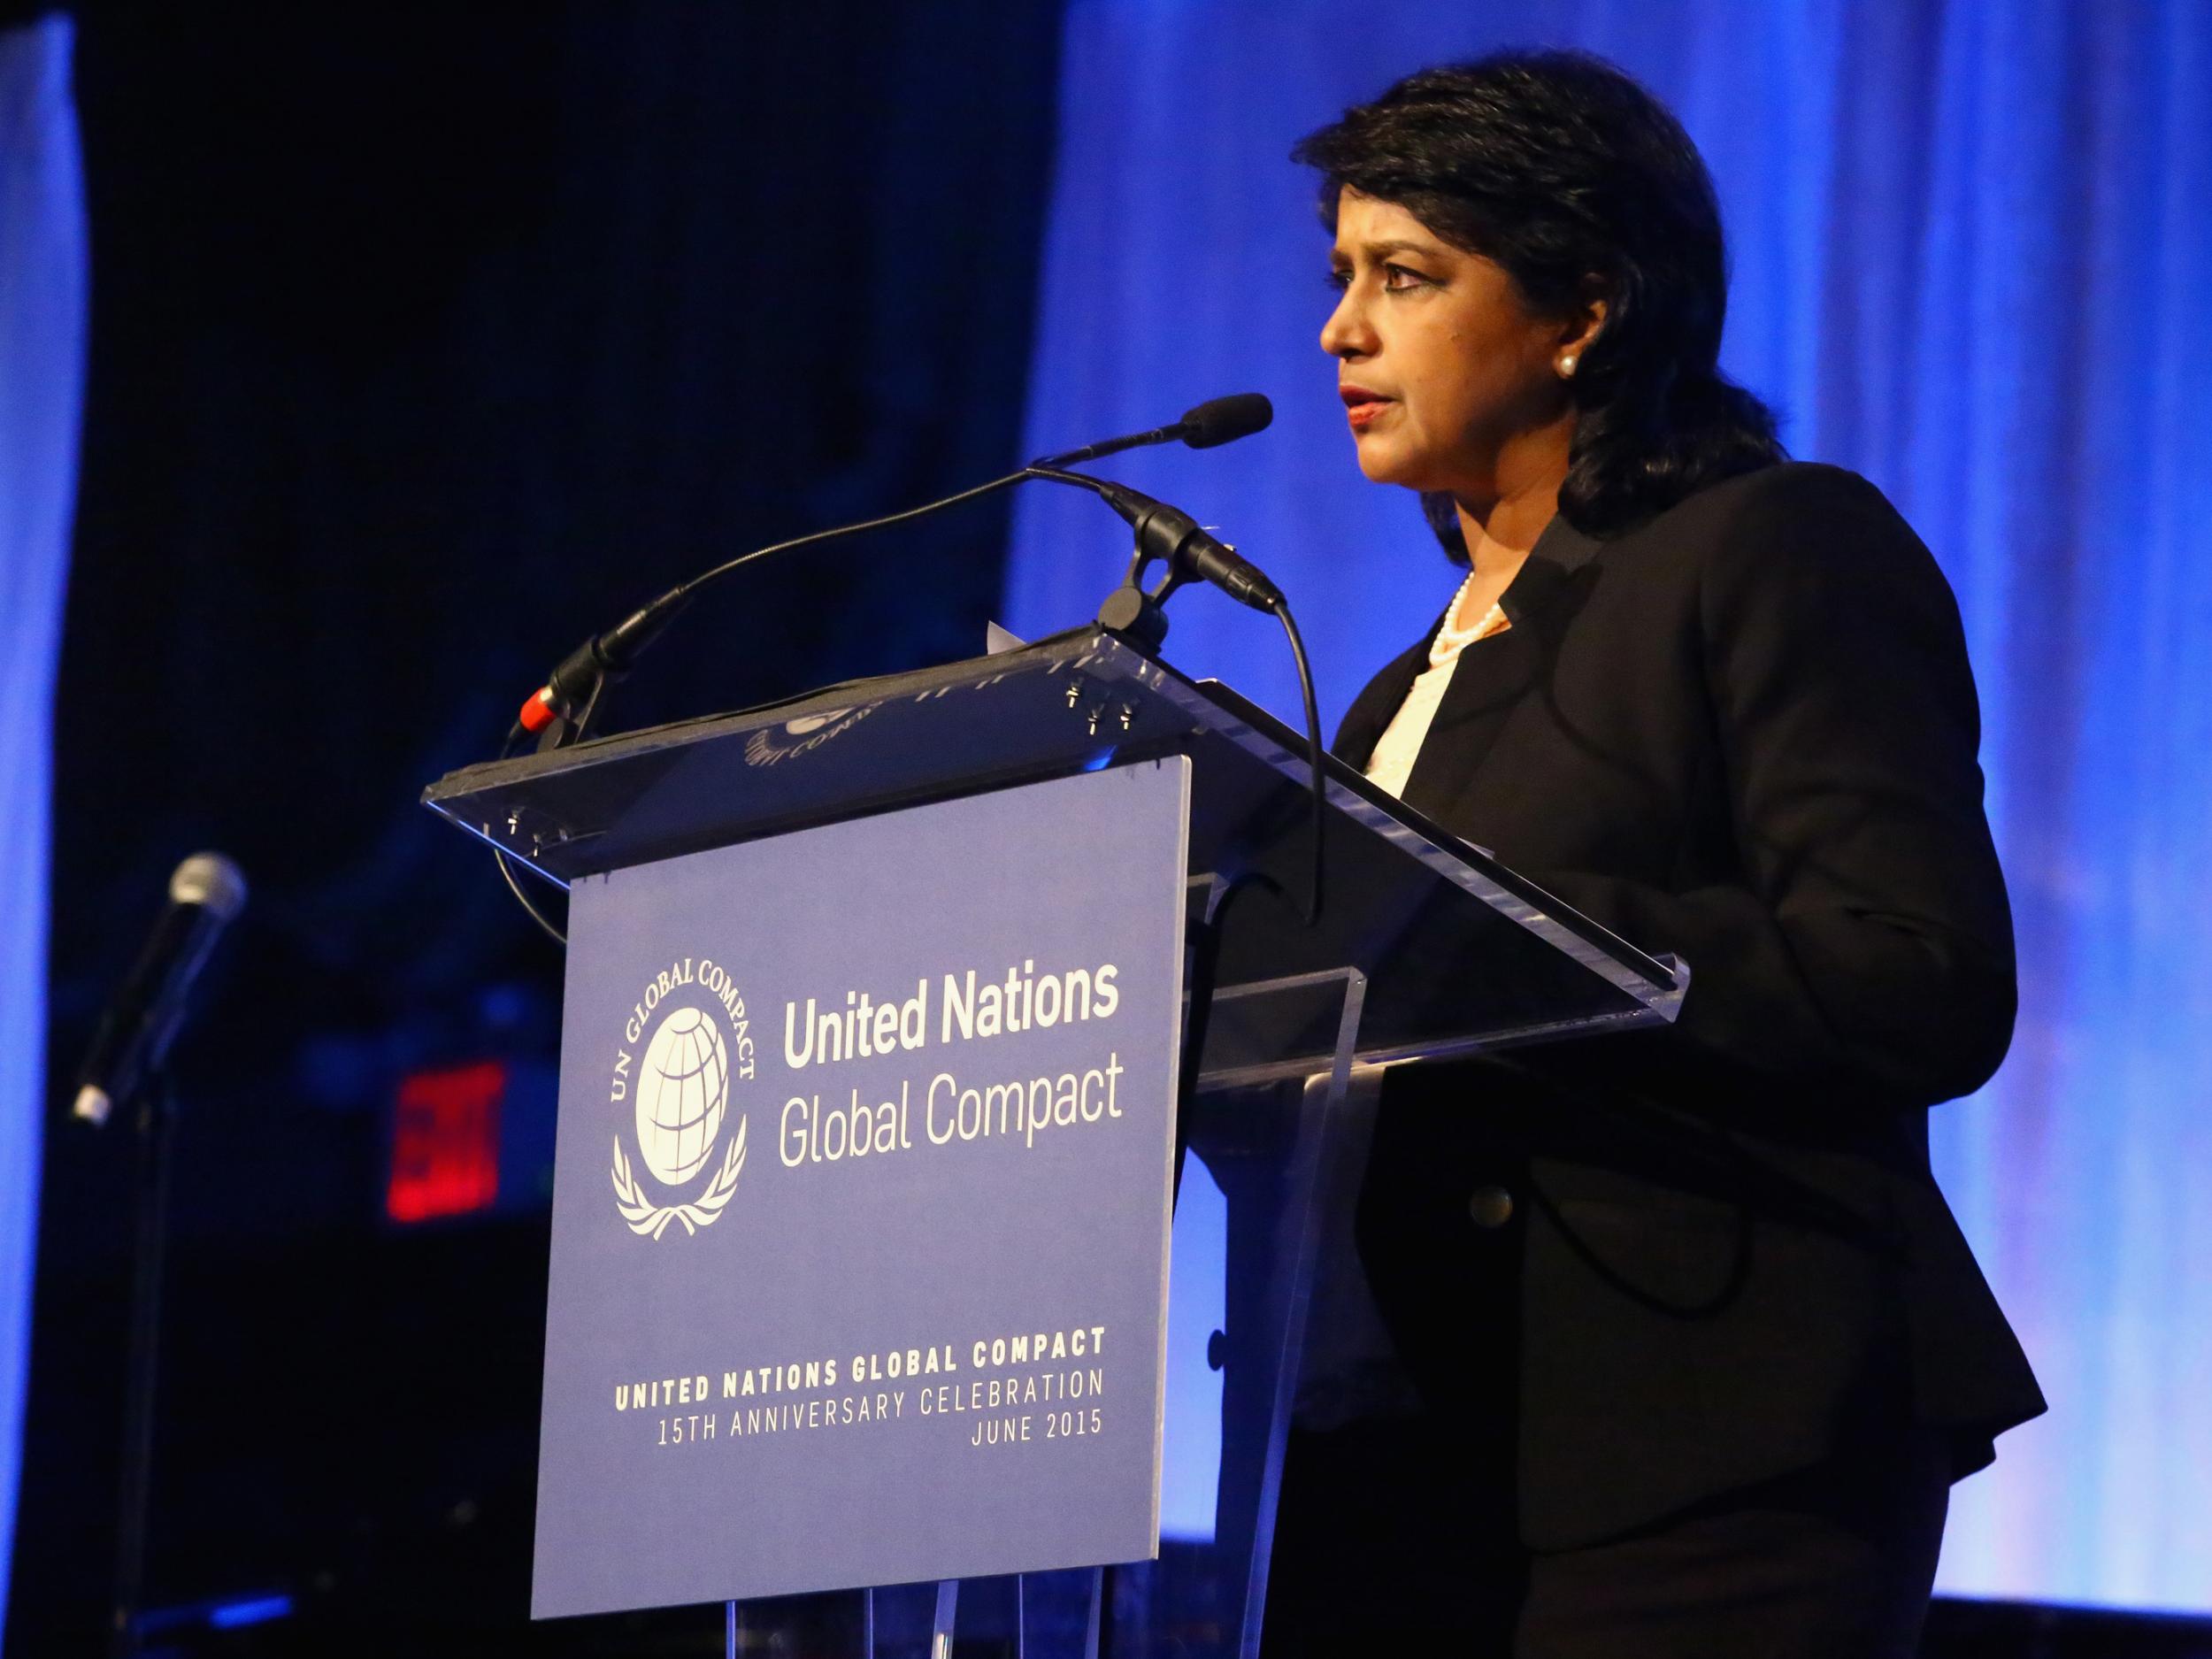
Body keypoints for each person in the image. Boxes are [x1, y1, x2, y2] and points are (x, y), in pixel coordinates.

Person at [1261, 50, 2046, 1656]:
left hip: (1700, 1447)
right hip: (1403, 1450)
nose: (1343, 330)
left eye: (1405, 278)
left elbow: (1919, 977)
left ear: (1585, 309)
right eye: (1344, 277)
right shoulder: (1399, 694)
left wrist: (1505, 931)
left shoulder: (1773, 548)